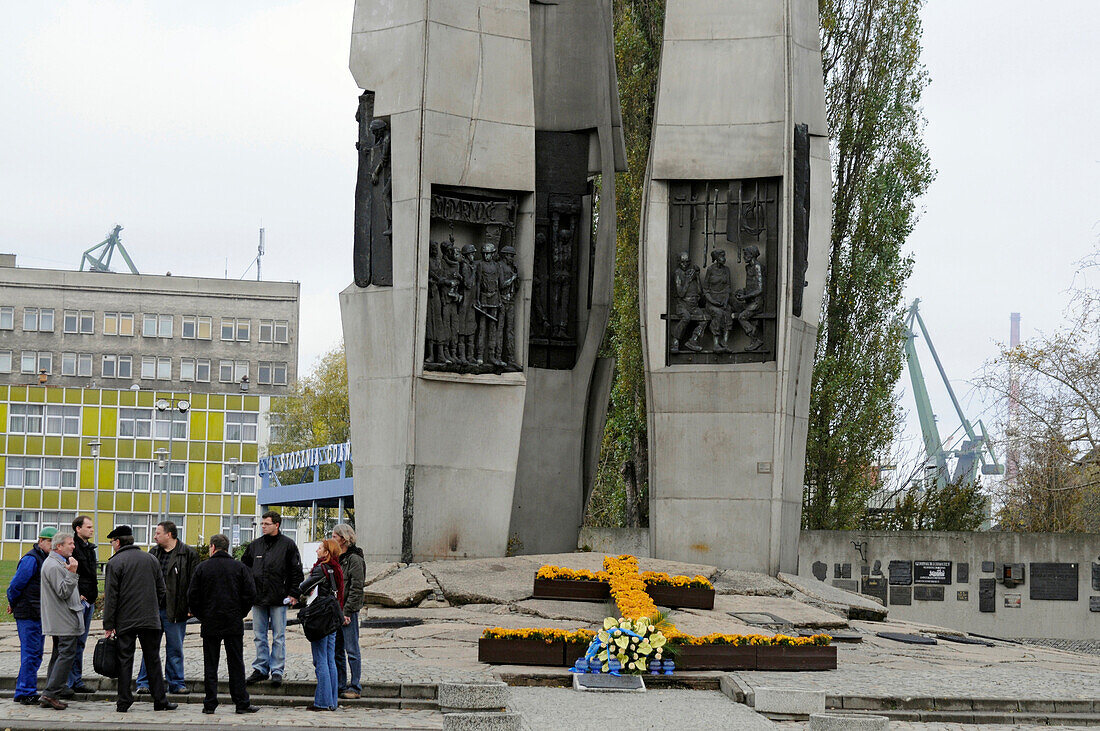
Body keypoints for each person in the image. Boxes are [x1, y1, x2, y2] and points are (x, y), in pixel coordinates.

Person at [102, 525, 177, 714]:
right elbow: (162, 589)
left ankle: (124, 701)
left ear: (118, 542)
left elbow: (111, 597)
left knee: (125, 660)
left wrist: (109, 624)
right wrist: (150, 605)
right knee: (153, 659)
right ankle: (160, 700)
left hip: (125, 620)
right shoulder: (151, 559)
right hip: (150, 618)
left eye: (112, 542)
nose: (112, 545)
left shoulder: (115, 563)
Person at [187, 534, 259, 715]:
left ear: (212, 547)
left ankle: (210, 703)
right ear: (227, 548)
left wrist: (202, 615)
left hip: (210, 622)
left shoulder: (202, 568)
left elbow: (192, 596)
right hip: (233, 621)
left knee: (210, 664)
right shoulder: (239, 567)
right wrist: (240, 613)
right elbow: (250, 594)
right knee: (236, 663)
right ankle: (241, 702)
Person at [241, 510, 303, 687]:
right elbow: (244, 569)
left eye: (266, 524)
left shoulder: (288, 545)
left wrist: (293, 594)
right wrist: (247, 591)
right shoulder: (255, 545)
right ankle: (261, 668)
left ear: (276, 525)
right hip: (258, 598)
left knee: (278, 636)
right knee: (259, 636)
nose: (263, 527)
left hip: (279, 598)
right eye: (262, 524)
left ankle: (276, 669)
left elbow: (296, 572)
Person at [137, 521, 197, 695]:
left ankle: (176, 683)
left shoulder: (188, 554)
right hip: (153, 610)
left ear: (168, 534)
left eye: (157, 533)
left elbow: (193, 583)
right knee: (149, 648)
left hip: (176, 610)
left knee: (175, 648)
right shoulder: (153, 553)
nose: (154, 536)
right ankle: (144, 682)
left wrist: (190, 607)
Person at [7, 527, 54, 705]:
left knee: (35, 653)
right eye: (49, 541)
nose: (52, 545)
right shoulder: (31, 559)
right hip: (29, 613)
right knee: (31, 653)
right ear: (41, 541)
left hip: (37, 612)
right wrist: (13, 603)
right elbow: (15, 585)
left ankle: (24, 689)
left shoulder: (43, 558)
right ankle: (26, 691)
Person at [38, 532, 83, 710]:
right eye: (70, 544)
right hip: (64, 619)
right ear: (59, 547)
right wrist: (72, 573)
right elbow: (63, 592)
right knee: (66, 655)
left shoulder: (55, 563)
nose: (73, 546)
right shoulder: (54, 566)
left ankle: (52, 691)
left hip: (61, 618)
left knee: (59, 655)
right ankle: (50, 693)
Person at [299, 539, 344, 711]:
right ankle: (332, 701)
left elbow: (304, 586)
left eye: (320, 548)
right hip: (333, 617)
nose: (317, 550)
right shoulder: (337, 569)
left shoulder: (321, 568)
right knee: (330, 658)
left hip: (321, 618)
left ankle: (322, 702)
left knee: (321, 659)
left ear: (326, 553)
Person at [332, 524, 365, 699]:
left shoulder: (355, 559)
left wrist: (348, 611)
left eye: (335, 537)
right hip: (335, 611)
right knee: (337, 650)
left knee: (351, 650)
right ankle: (340, 684)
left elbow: (356, 588)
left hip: (348, 611)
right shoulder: (337, 558)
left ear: (344, 539)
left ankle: (355, 685)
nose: (332, 540)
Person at [66, 516, 97, 694]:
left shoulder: (89, 549)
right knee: (73, 642)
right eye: (88, 527)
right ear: (78, 529)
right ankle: (70, 682)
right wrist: (79, 594)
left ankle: (76, 680)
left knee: (81, 643)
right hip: (80, 600)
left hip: (89, 600)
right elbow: (69, 572)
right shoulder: (73, 548)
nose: (92, 530)